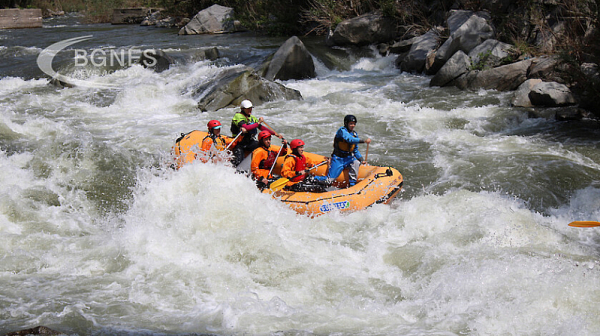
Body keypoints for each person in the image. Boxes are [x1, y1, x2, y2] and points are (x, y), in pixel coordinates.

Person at [230, 99, 280, 166]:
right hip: (239, 143)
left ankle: (262, 164)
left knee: (262, 147)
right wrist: (258, 122)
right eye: (247, 109)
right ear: (242, 109)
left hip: (249, 142)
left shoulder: (252, 118)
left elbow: (261, 128)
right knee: (239, 162)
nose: (250, 110)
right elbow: (246, 127)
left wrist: (274, 134)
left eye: (250, 108)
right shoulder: (238, 116)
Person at [326, 115, 371, 187]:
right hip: (338, 158)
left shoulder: (354, 134)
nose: (353, 125)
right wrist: (364, 141)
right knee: (330, 179)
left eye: (354, 123)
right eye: (351, 123)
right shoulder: (342, 131)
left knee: (356, 162)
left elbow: (355, 150)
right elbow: (349, 139)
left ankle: (352, 185)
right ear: (346, 123)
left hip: (348, 158)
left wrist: (361, 159)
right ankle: (313, 179)